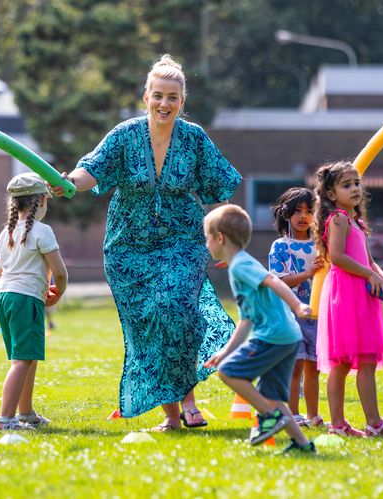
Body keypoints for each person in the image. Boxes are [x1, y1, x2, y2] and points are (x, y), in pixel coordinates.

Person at [52, 54, 241, 430]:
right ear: (146, 97)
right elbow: (91, 171)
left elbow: (224, 185)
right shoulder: (124, 136)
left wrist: (229, 240)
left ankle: (187, 398)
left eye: (173, 97)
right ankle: (173, 414)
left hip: (182, 241)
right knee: (150, 324)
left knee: (174, 307)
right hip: (128, 249)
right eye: (158, 96)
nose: (164, 104)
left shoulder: (194, 139)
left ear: (183, 101)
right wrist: (67, 182)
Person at [203, 205, 316, 454]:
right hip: (288, 336)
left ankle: (269, 416)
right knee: (274, 396)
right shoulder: (239, 267)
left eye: (207, 238)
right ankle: (303, 444)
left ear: (220, 237)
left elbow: (273, 279)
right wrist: (224, 351)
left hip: (274, 336)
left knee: (228, 372)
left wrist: (297, 305)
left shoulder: (241, 265)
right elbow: (246, 321)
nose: (207, 244)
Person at [312, 160, 383, 437]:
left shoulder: (356, 221)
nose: (355, 189)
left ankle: (373, 424)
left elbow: (371, 261)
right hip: (346, 294)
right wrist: (369, 275)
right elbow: (338, 258)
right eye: (346, 185)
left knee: (367, 361)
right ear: (331, 194)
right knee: (339, 363)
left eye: (357, 183)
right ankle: (339, 425)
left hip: (363, 293)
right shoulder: (338, 220)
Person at [0, 172, 67, 430]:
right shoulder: (42, 231)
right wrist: (58, 292)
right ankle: (6, 418)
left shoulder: (6, 233)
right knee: (22, 360)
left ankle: (26, 413)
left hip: (5, 298)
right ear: (40, 202)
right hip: (25, 300)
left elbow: (1, 272)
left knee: (27, 357)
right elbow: (59, 272)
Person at [268, 187, 325, 427]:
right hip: (290, 314)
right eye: (298, 211)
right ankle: (294, 414)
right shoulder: (280, 246)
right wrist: (307, 273)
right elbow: (278, 280)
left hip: (318, 313)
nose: (304, 216)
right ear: (286, 214)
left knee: (314, 367)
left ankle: (313, 415)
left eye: (309, 211)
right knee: (296, 366)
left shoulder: (321, 244)